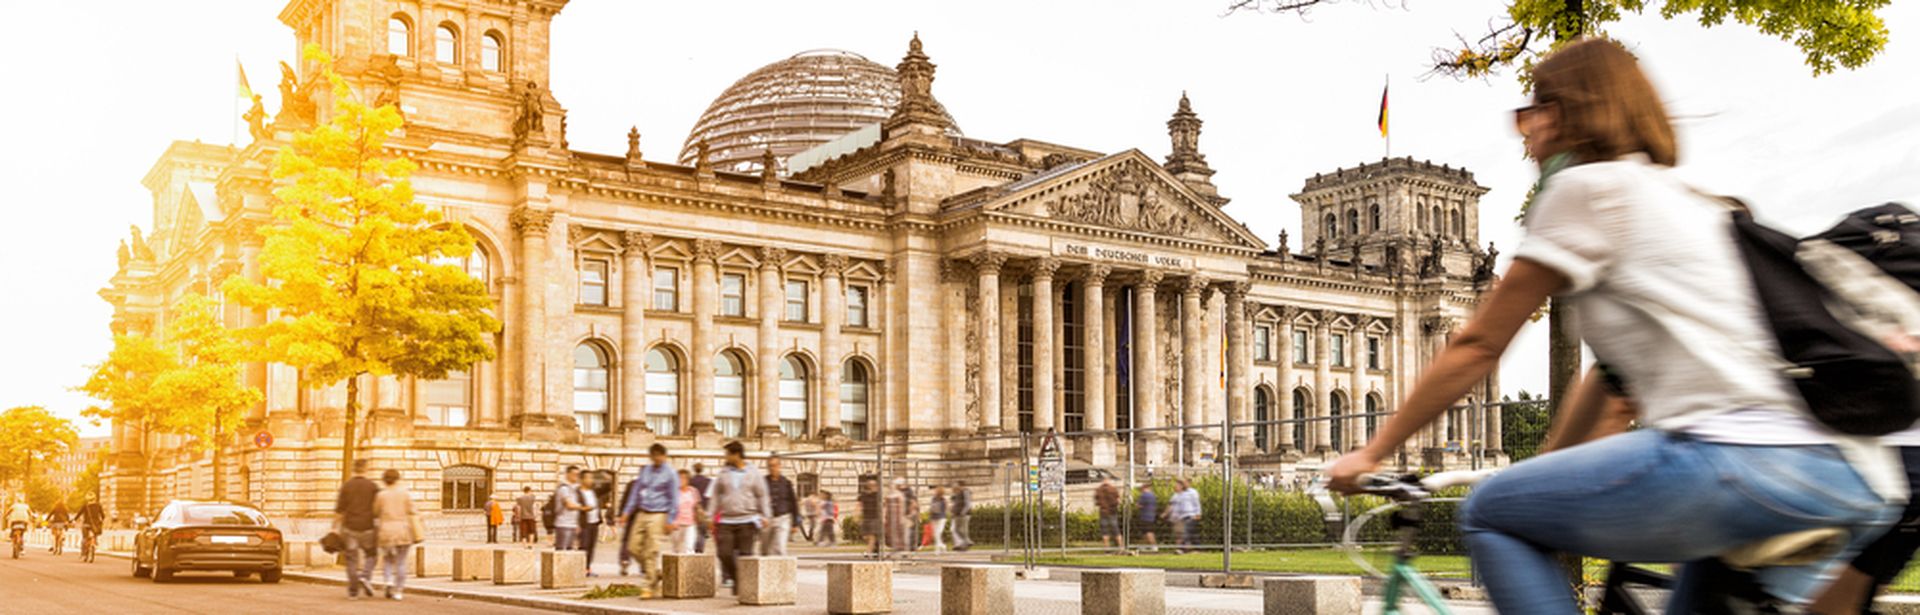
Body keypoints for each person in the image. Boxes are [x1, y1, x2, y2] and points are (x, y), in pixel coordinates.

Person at [1324, 38, 1900, 614]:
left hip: (1735, 456)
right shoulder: (1700, 203)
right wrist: (1556, 466)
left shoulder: (1585, 189)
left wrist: (1371, 451)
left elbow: (1477, 344)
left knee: (1490, 512)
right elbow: (1612, 377)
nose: (1523, 131)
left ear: (1567, 112)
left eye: (1531, 111)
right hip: (1847, 471)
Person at [706, 441, 770, 593]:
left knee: (745, 556)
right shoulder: (723, 473)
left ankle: (745, 588)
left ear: (736, 455)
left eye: (728, 454)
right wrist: (710, 516)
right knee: (724, 553)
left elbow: (762, 495)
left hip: (748, 519)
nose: (725, 457)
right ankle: (736, 578)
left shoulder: (753, 472)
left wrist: (766, 515)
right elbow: (715, 495)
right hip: (726, 519)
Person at [618, 444, 679, 597]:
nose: (656, 458)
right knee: (632, 547)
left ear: (664, 456)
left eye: (659, 455)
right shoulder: (646, 471)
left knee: (651, 550)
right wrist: (626, 511)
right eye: (654, 456)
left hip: (659, 513)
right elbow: (635, 492)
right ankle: (655, 573)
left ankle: (649, 585)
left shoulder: (671, 474)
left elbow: (674, 498)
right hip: (642, 511)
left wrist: (670, 519)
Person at [333, 459, 381, 600]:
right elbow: (377, 508)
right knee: (371, 555)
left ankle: (353, 591)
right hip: (367, 527)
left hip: (349, 527)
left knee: (351, 559)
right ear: (366, 469)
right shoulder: (373, 486)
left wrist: (334, 528)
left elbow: (339, 510)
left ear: (354, 469)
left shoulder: (347, 486)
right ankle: (365, 576)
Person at [372, 469, 417, 601]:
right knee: (401, 562)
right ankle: (398, 591)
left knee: (387, 560)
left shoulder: (381, 495)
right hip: (402, 530)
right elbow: (413, 510)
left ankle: (388, 581)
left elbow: (375, 511)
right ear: (398, 479)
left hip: (386, 531)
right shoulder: (405, 494)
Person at [760, 457, 798, 556]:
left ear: (779, 466)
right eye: (770, 466)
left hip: (783, 518)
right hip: (767, 519)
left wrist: (795, 523)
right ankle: (765, 569)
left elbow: (793, 502)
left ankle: (782, 570)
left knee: (780, 547)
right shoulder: (763, 482)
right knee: (765, 549)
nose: (772, 468)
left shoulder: (786, 483)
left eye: (775, 465)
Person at [551, 466, 587, 552]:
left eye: (578, 475)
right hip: (563, 524)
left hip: (573, 524)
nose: (576, 477)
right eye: (574, 474)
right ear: (567, 475)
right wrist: (584, 507)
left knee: (570, 551)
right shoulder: (564, 488)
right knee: (561, 552)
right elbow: (569, 505)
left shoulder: (575, 489)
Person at [670, 469, 703, 554]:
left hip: (690, 523)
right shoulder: (673, 492)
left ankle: (689, 567)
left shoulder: (693, 491)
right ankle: (677, 566)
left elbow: (697, 505)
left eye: (684, 478)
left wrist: (700, 513)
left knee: (689, 547)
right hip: (676, 524)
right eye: (679, 478)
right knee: (676, 549)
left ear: (688, 480)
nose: (681, 480)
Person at [579, 471, 605, 577]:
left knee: (591, 547)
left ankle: (588, 568)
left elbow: (606, 490)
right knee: (583, 546)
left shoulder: (593, 492)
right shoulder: (577, 492)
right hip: (584, 523)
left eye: (592, 478)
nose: (591, 480)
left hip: (594, 522)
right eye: (588, 478)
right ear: (582, 479)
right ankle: (580, 568)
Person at [1167, 479, 1201, 554]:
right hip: (1182, 516)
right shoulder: (1180, 494)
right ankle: (1196, 548)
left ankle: (1181, 549)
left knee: (1186, 531)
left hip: (1191, 515)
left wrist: (1198, 513)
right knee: (1192, 533)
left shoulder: (1193, 492)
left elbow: (1196, 503)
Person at [688, 463, 712, 553]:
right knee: (702, 531)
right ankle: (699, 550)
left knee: (693, 530)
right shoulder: (708, 481)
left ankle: (693, 547)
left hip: (692, 508)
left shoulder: (690, 481)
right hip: (704, 508)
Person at [1095, 477, 1122, 553]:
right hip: (1112, 512)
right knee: (1116, 531)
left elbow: (1097, 502)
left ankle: (1106, 549)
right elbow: (1118, 500)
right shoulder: (1113, 489)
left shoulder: (1098, 490)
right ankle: (1120, 548)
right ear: (1109, 481)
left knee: (1105, 532)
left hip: (1103, 512)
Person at [858, 478, 882, 555]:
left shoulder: (878, 496)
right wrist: (857, 515)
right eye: (872, 485)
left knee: (872, 536)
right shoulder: (863, 495)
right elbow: (859, 505)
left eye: (875, 485)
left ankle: (869, 551)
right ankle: (875, 549)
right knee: (865, 536)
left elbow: (883, 505)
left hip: (875, 517)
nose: (875, 487)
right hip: (866, 517)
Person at [884, 478, 908, 554]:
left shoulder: (899, 494)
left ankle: (902, 549)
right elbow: (885, 506)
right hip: (890, 515)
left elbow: (902, 505)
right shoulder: (887, 494)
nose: (891, 486)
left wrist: (902, 516)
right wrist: (884, 516)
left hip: (897, 514)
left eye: (892, 485)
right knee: (890, 532)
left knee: (898, 531)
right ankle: (894, 548)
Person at [1134, 484, 1158, 552]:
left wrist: (1136, 504)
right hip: (1152, 516)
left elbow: (1138, 505)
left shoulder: (1144, 495)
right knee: (1145, 532)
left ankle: (1154, 546)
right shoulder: (1153, 495)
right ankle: (1143, 546)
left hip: (1145, 516)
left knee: (1148, 532)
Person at [949, 483, 971, 551]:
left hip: (961, 514)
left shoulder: (964, 493)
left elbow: (967, 504)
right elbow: (954, 505)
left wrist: (963, 512)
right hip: (956, 514)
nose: (953, 491)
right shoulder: (956, 495)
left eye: (954, 489)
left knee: (958, 530)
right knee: (957, 530)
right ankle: (963, 544)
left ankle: (965, 542)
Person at [927, 486, 949, 554]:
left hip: (941, 518)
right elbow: (931, 508)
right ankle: (943, 546)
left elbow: (946, 509)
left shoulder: (943, 500)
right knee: (935, 534)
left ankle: (937, 550)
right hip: (934, 518)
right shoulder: (933, 499)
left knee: (938, 533)